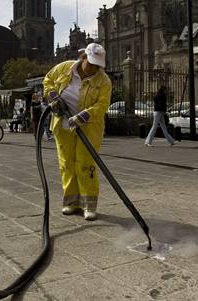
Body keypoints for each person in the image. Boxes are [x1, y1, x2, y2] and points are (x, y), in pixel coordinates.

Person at [43, 43, 112, 221]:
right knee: (66, 163)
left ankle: (89, 204)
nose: (93, 69)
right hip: (62, 124)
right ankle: (71, 202)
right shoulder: (65, 68)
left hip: (88, 128)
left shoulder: (103, 81)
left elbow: (102, 105)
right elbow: (48, 80)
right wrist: (52, 96)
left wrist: (83, 116)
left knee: (85, 164)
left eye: (98, 66)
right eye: (91, 64)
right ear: (83, 58)